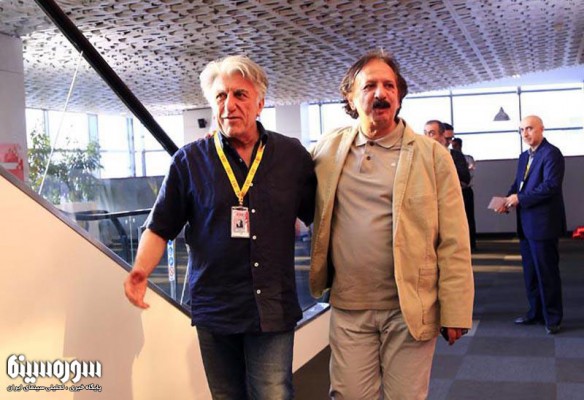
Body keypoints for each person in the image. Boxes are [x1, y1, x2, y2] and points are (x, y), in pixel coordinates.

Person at [124, 55, 316, 399]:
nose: (229, 105)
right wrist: (140, 271)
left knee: (273, 393)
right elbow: (160, 226)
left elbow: (320, 213)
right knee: (226, 396)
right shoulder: (190, 161)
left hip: (272, 305)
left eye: (240, 95)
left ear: (260, 103)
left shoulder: (291, 156)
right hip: (216, 307)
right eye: (221, 96)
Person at [310, 50, 474, 399]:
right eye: (369, 86)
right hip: (349, 306)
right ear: (350, 98)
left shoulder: (432, 156)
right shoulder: (327, 150)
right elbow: (279, 172)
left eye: (389, 86)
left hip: (410, 307)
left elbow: (454, 239)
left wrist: (456, 308)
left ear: (399, 97)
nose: (380, 93)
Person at [495, 115, 565, 335]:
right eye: (521, 130)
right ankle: (536, 312)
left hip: (543, 224)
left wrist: (520, 199)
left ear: (541, 129)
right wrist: (506, 199)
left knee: (547, 273)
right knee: (531, 273)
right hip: (526, 224)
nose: (525, 133)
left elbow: (550, 186)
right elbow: (519, 184)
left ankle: (553, 318)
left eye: (529, 128)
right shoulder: (524, 156)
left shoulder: (551, 153)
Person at [452, 136, 478, 251]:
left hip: (465, 190)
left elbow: (470, 172)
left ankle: (471, 243)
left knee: (469, 216)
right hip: (454, 190)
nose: (454, 147)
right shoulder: (449, 156)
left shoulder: (468, 158)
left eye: (455, 145)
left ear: (460, 145)